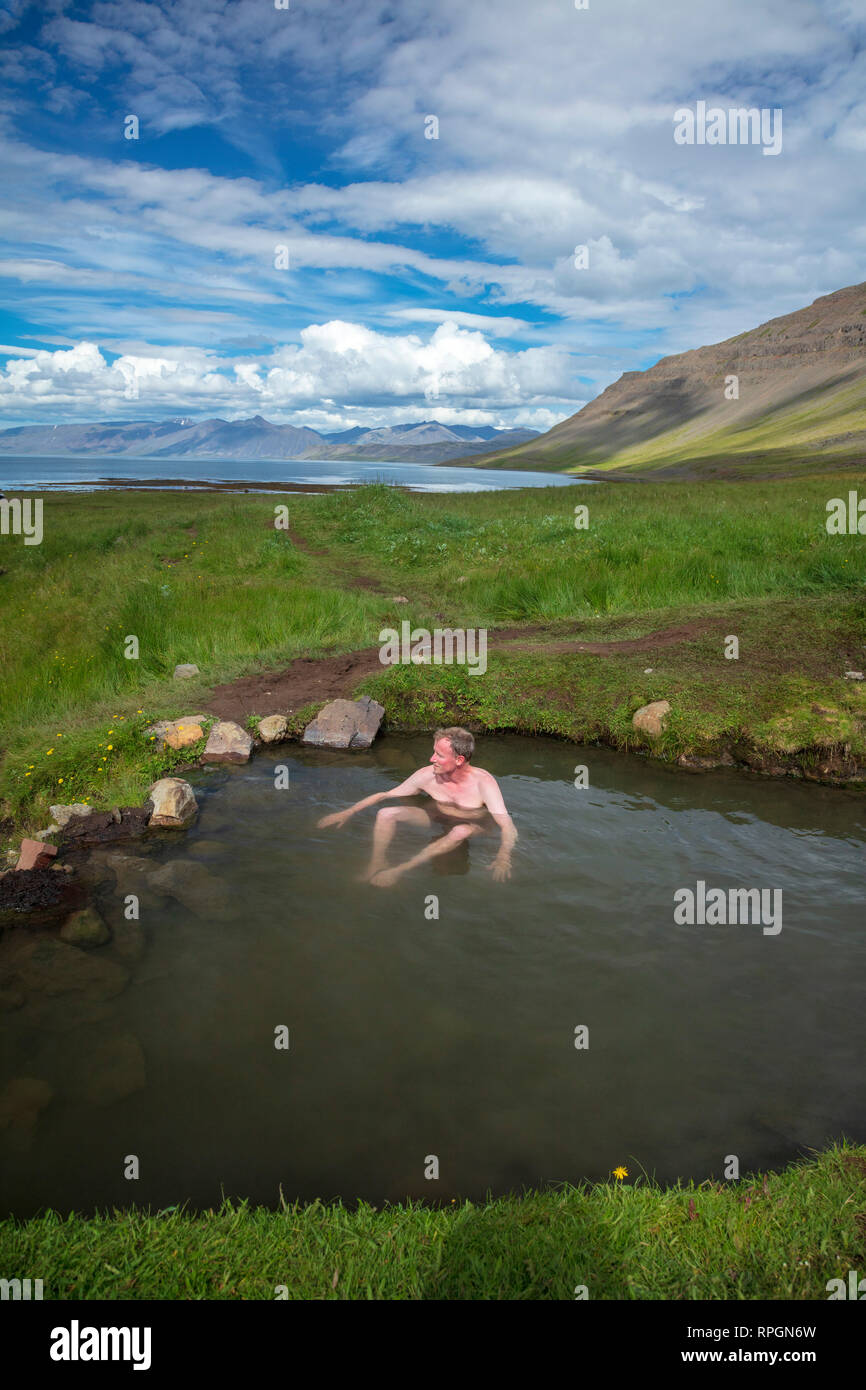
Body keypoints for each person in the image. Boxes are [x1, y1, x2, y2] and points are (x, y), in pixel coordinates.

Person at [317, 726, 517, 886]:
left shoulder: (483, 782)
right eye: (433, 752)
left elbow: (506, 824)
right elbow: (385, 795)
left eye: (439, 755)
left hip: (473, 825)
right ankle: (377, 862)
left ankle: (400, 869)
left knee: (460, 831)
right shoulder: (428, 775)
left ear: (459, 760)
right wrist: (348, 812)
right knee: (387, 813)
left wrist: (503, 856)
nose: (432, 759)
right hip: (438, 817)